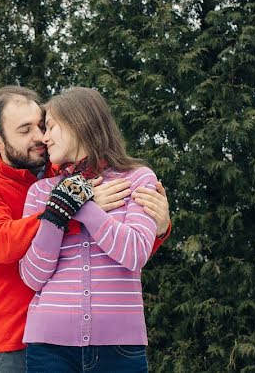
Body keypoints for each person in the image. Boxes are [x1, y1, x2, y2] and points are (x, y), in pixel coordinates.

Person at [0, 86, 171, 373]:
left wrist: (157, 230)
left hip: (92, 337)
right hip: (14, 340)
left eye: (42, 125)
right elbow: (2, 244)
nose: (39, 137)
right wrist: (66, 209)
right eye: (25, 130)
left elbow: (122, 251)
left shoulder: (68, 178)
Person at [19, 87, 165, 372]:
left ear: (79, 122)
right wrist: (57, 212)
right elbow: (32, 277)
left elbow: (135, 253)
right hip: (49, 350)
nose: (44, 138)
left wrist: (80, 204)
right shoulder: (40, 192)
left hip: (119, 350)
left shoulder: (137, 178)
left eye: (50, 127)